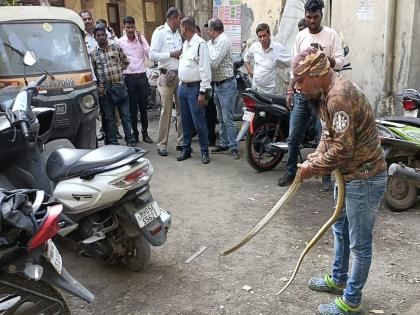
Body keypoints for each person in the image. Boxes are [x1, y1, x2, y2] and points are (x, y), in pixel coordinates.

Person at [294, 48, 387, 315]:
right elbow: (328, 135)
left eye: (301, 81)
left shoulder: (339, 96)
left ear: (318, 74)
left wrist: (313, 168)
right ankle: (338, 279)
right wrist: (315, 157)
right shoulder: (325, 95)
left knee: (359, 244)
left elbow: (343, 149)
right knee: (340, 230)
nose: (298, 87)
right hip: (348, 177)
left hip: (364, 177)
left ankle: (351, 301)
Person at [278, 0, 344, 188]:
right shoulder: (301, 36)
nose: (312, 21)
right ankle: (291, 172)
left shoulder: (331, 35)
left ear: (321, 15)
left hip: (322, 96)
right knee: (293, 136)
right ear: (305, 15)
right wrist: (291, 90)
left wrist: (323, 59)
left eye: (315, 17)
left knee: (323, 136)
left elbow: (340, 62)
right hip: (302, 95)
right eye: (309, 17)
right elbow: (295, 67)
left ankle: (325, 178)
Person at [90, 24, 135, 147]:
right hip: (105, 91)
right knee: (109, 119)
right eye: (98, 36)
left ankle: (130, 141)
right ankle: (113, 143)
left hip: (120, 87)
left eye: (103, 35)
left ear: (106, 35)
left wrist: (118, 70)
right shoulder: (93, 54)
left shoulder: (115, 47)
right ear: (95, 38)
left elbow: (126, 62)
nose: (101, 37)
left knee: (125, 117)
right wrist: (98, 87)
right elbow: (93, 73)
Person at [177, 16, 211, 164]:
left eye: (181, 27)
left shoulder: (200, 44)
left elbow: (205, 70)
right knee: (185, 121)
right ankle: (186, 149)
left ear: (185, 28)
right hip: (183, 87)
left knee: (199, 121)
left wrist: (202, 92)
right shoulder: (186, 43)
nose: (180, 30)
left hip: (195, 89)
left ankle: (205, 151)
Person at [150, 7, 183, 157]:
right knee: (167, 111)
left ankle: (181, 142)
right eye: (179, 18)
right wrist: (170, 54)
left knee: (182, 111)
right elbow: (152, 55)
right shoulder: (160, 32)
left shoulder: (177, 33)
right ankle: (161, 144)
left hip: (179, 75)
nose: (180, 21)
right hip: (166, 76)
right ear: (173, 18)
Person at [207, 18, 240, 160]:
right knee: (220, 118)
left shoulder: (224, 41)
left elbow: (213, 63)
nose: (208, 32)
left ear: (212, 30)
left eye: (208, 29)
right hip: (217, 84)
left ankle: (233, 147)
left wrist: (202, 59)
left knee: (227, 118)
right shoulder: (212, 43)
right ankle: (224, 143)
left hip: (226, 84)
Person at [118, 16, 153, 144]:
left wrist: (141, 41)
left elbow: (149, 55)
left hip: (142, 77)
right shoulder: (120, 42)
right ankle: (135, 134)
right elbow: (118, 59)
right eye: (128, 27)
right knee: (132, 108)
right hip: (129, 78)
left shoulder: (141, 39)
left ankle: (145, 133)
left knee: (143, 107)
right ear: (124, 28)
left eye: (132, 27)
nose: (131, 30)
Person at [244, 23, 290, 94]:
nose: (262, 39)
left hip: (270, 91)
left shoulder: (278, 48)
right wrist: (250, 72)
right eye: (260, 36)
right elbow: (246, 58)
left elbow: (291, 62)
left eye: (264, 36)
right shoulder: (255, 46)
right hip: (256, 87)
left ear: (269, 35)